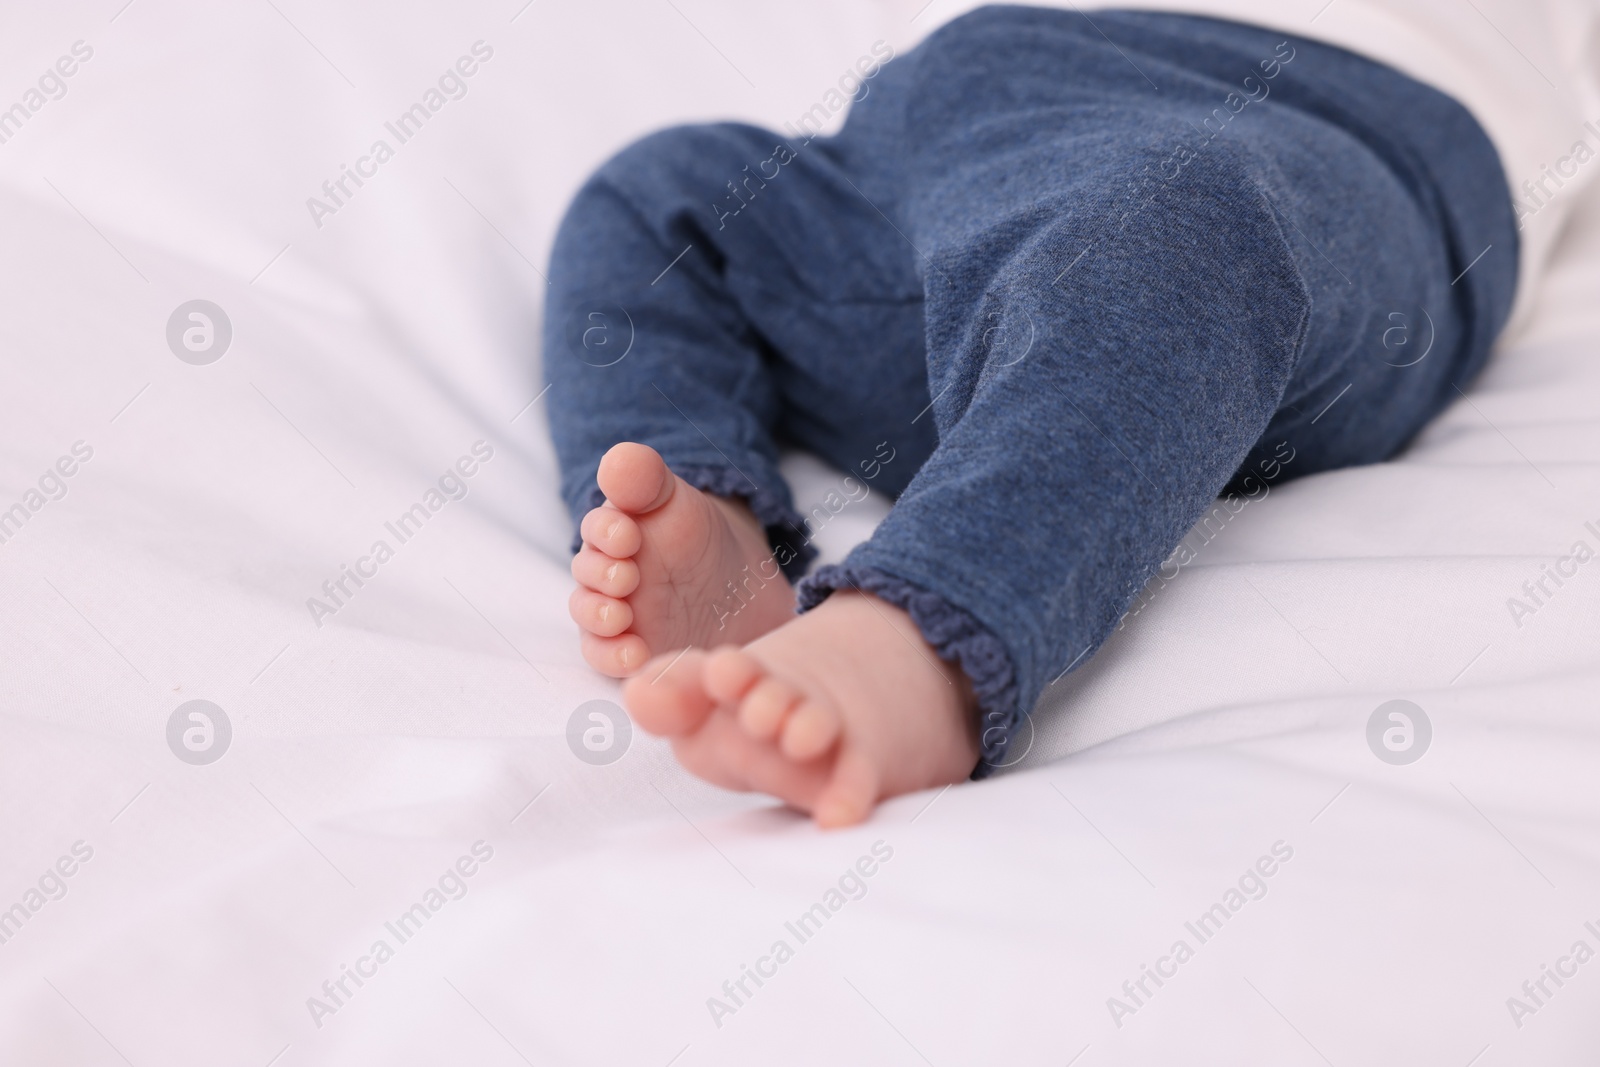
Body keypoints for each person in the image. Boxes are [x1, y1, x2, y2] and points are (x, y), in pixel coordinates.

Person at [543, 3, 1594, 826]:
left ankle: (925, 634)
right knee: (661, 195)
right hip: (948, 130)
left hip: (1330, 124)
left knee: (1176, 224)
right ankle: (721, 517)